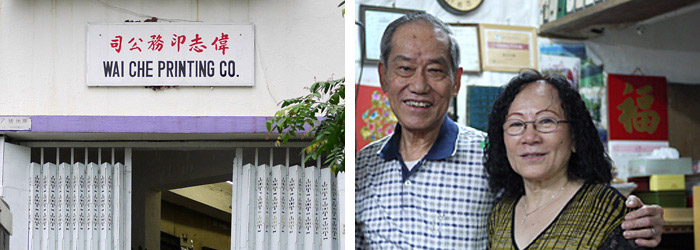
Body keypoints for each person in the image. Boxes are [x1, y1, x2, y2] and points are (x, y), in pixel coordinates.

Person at [355, 12, 664, 249]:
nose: (419, 86)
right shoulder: (361, 166)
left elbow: (559, 192)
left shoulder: (491, 156)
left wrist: (642, 219)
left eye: (435, 70)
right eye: (405, 68)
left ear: (456, 81)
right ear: (384, 77)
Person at [485, 70, 657, 249]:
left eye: (546, 121)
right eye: (516, 124)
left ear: (575, 137)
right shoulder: (501, 214)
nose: (530, 137)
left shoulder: (609, 211)